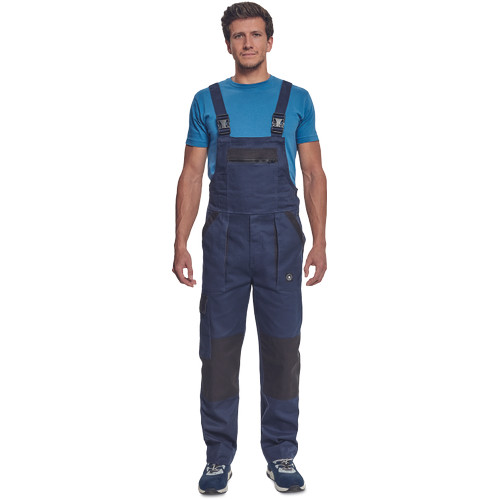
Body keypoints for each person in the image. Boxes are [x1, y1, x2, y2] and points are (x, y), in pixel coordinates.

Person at [172, 2, 327, 494]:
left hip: (282, 240)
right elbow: (192, 174)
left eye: (256, 35)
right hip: (224, 242)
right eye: (239, 36)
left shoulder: (297, 99)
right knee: (219, 351)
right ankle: (218, 458)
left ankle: (281, 454)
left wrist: (321, 240)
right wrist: (179, 241)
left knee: (282, 349)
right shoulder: (206, 100)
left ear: (270, 41)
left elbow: (313, 174)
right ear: (227, 44)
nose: (248, 43)